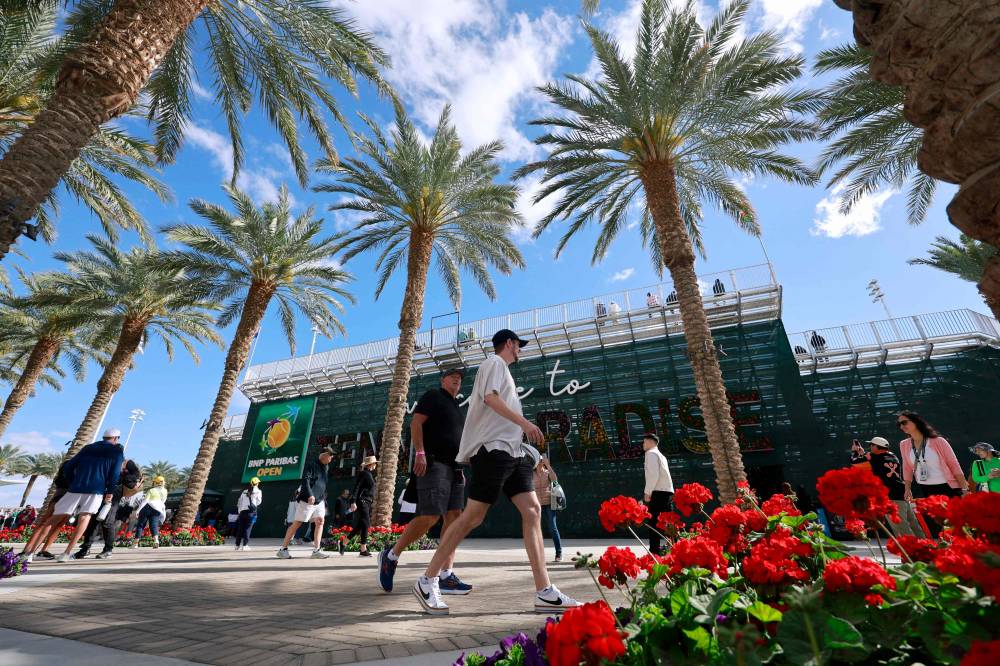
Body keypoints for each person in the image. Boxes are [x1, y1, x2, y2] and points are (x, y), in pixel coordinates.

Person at [413, 329, 581, 615]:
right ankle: (427, 579)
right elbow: (490, 399)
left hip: (513, 453)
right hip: (494, 450)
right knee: (473, 517)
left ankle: (544, 591)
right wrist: (526, 424)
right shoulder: (493, 364)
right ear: (509, 344)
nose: (520, 350)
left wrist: (521, 436)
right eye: (519, 345)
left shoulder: (505, 372)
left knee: (532, 511)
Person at [378, 368, 471, 593]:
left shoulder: (457, 407)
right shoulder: (433, 396)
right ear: (443, 380)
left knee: (455, 519)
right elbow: (416, 423)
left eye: (460, 378)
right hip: (434, 464)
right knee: (430, 516)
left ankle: (446, 575)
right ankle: (391, 555)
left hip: (455, 468)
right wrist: (420, 453)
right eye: (453, 376)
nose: (457, 379)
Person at [35, 428, 124, 563]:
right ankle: (66, 553)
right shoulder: (116, 451)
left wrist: (73, 481)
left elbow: (69, 466)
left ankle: (31, 551)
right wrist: (110, 491)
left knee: (53, 519)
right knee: (84, 518)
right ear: (116, 438)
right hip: (96, 490)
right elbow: (115, 474)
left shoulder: (88, 448)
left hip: (75, 488)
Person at [74, 458, 143, 559]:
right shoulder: (103, 460)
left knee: (108, 522)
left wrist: (123, 478)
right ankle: (85, 548)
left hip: (114, 493)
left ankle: (108, 550)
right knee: (93, 521)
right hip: (100, 492)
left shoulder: (125, 462)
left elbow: (136, 474)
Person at [277, 447, 334, 559]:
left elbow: (321, 483)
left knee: (320, 521)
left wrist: (322, 498)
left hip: (320, 500)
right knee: (297, 523)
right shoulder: (312, 464)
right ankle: (282, 549)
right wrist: (310, 494)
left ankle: (316, 551)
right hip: (308, 500)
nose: (332, 457)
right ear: (323, 455)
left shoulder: (325, 467)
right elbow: (306, 480)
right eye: (330, 455)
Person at [899, 411, 966, 501]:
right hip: (925, 488)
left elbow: (954, 465)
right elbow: (906, 468)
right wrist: (907, 489)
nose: (902, 426)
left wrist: (965, 489)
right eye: (899, 424)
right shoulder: (904, 444)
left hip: (948, 487)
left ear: (916, 421)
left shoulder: (939, 441)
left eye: (904, 422)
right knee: (935, 515)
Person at [865, 437, 921, 537]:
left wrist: (856, 452)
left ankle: (911, 549)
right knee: (913, 524)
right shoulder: (893, 456)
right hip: (901, 491)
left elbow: (855, 461)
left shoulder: (875, 457)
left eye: (871, 445)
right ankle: (925, 545)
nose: (870, 447)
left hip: (890, 495)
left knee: (900, 526)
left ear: (878, 447)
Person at [642, 433, 674, 556]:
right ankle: (674, 549)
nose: (643, 445)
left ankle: (654, 551)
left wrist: (647, 492)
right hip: (668, 492)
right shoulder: (661, 455)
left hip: (658, 492)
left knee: (654, 523)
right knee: (669, 523)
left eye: (644, 442)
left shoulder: (650, 454)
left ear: (650, 442)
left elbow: (653, 475)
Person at [533, 456, 562, 563]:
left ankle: (558, 553)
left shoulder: (547, 472)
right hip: (536, 505)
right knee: (535, 530)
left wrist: (548, 465)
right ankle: (537, 556)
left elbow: (555, 479)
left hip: (549, 504)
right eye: (538, 461)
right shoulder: (531, 475)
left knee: (553, 528)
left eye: (541, 461)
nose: (540, 463)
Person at [350, 456, 377, 557]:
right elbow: (356, 487)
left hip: (367, 502)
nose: (376, 465)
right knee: (366, 523)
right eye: (374, 463)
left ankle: (344, 541)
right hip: (362, 501)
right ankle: (363, 549)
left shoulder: (369, 474)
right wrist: (353, 501)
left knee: (361, 524)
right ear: (370, 464)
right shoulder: (364, 473)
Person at [132, 475, 169, 549]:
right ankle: (156, 541)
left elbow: (145, 501)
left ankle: (135, 544)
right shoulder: (165, 491)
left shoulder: (151, 490)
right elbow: (163, 501)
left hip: (147, 507)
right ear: (163, 482)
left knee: (141, 525)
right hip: (157, 509)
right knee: (154, 525)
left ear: (155, 482)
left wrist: (138, 510)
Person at [234, 477, 262, 551]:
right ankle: (245, 545)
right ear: (257, 483)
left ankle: (237, 545)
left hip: (242, 512)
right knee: (248, 529)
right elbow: (259, 502)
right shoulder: (258, 491)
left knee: (240, 529)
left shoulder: (244, 491)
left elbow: (239, 502)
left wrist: (239, 512)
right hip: (251, 512)